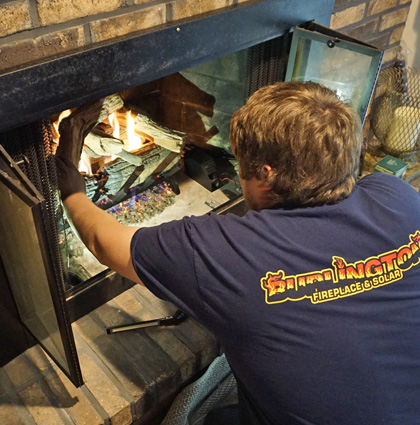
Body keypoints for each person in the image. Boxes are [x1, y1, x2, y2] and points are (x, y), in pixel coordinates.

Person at [56, 81, 420, 425]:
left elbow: (104, 242)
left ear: (265, 174)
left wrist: (69, 178)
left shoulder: (227, 252)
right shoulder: (399, 196)